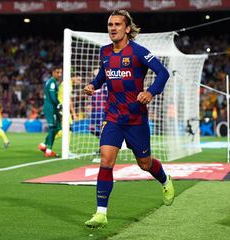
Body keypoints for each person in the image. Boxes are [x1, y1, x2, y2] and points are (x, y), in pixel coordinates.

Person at [83, 10, 174, 228]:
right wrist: (93, 85)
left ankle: (164, 180)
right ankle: (101, 213)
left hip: (136, 119)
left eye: (117, 24)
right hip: (113, 118)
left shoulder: (138, 51)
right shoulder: (104, 52)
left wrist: (150, 92)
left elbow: (163, 73)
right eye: (109, 24)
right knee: (106, 161)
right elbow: (102, 76)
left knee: (145, 164)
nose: (112, 28)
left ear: (127, 28)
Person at [38, 66, 63, 157]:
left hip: (51, 107)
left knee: (57, 127)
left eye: (60, 72)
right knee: (53, 128)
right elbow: (52, 97)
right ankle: (48, 150)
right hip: (51, 108)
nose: (59, 74)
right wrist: (59, 104)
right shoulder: (52, 83)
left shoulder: (51, 82)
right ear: (53, 72)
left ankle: (44, 145)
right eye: (57, 72)